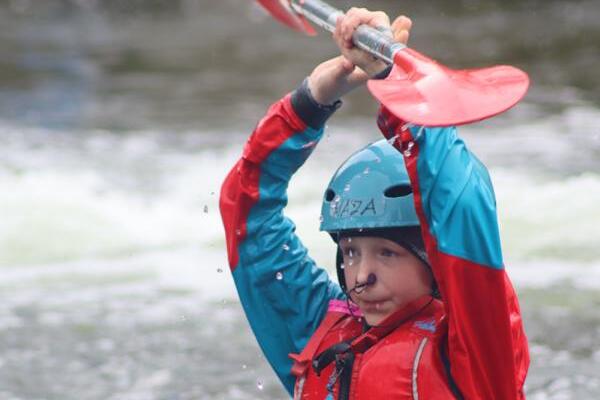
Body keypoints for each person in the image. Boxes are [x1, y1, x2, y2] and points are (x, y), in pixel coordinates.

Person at [220, 7, 529, 399]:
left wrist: (395, 81)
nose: (362, 277)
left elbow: (460, 203)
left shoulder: (477, 351)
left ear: (432, 256)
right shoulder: (317, 327)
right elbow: (247, 215)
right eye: (350, 252)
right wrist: (308, 104)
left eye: (386, 253)